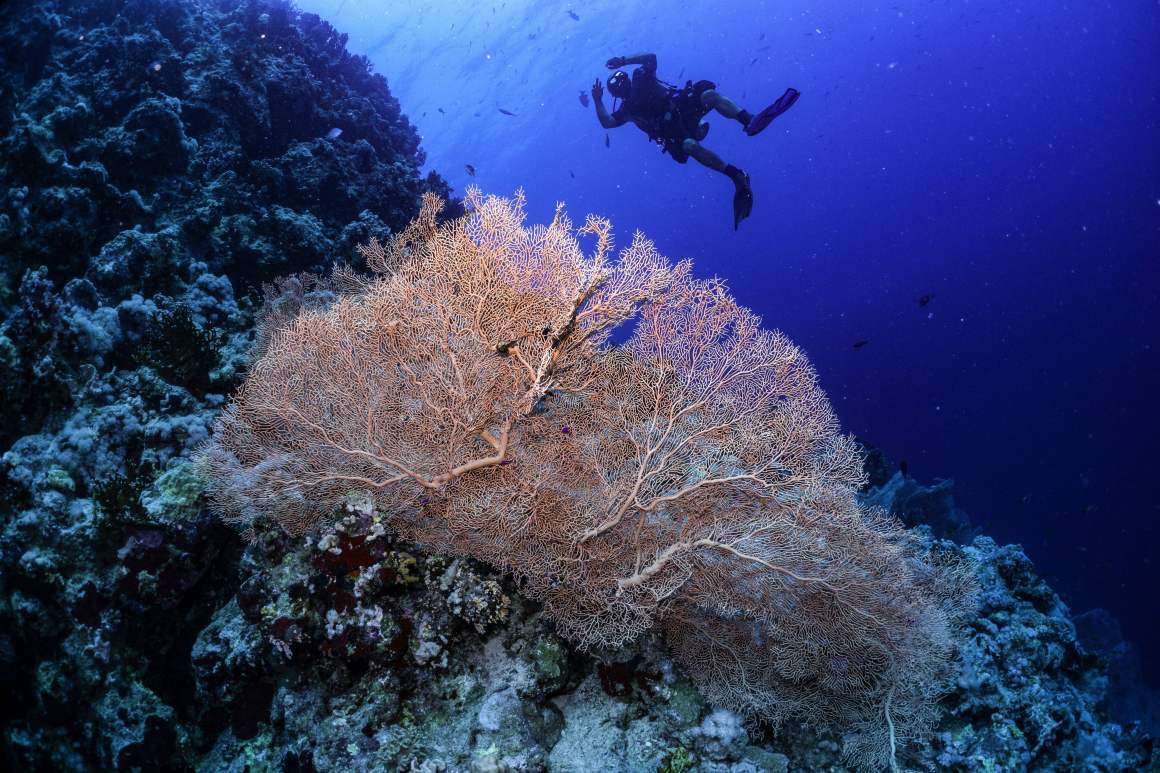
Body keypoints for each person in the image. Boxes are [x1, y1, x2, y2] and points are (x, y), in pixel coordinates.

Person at [592, 53, 800, 230]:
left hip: (681, 106)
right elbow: (607, 122)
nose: (623, 87)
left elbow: (651, 57)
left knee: (709, 94)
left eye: (622, 82)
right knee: (690, 146)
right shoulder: (628, 110)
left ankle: (749, 121)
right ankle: (736, 175)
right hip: (674, 130)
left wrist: (623, 60)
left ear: (627, 79)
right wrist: (597, 100)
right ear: (617, 95)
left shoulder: (641, 76)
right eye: (619, 88)